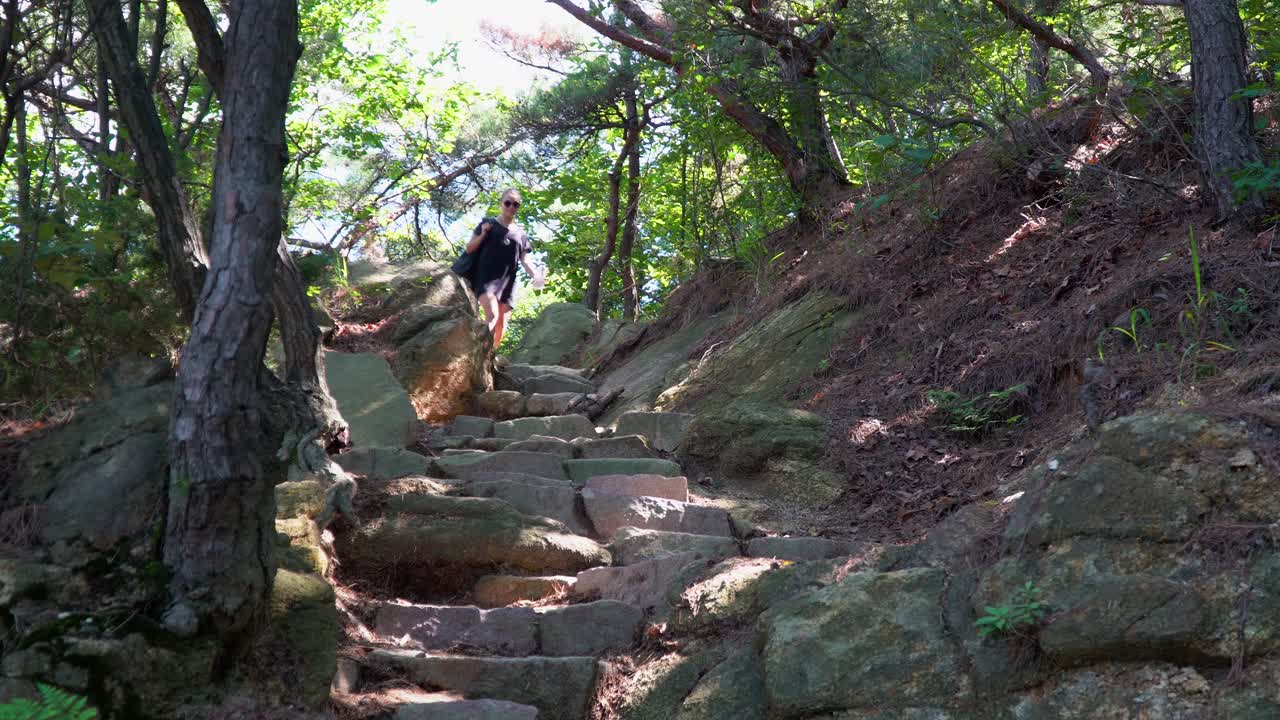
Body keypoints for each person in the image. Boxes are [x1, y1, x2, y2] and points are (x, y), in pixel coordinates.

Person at [464, 188, 545, 347]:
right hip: (486, 279)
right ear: (501, 204)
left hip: (508, 283)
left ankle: (490, 358)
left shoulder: (521, 234)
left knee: (501, 326)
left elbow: (525, 260)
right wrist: (483, 234)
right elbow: (469, 248)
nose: (511, 207)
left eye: (515, 204)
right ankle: (476, 354)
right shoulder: (488, 224)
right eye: (507, 203)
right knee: (492, 316)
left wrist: (536, 275)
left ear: (518, 207)